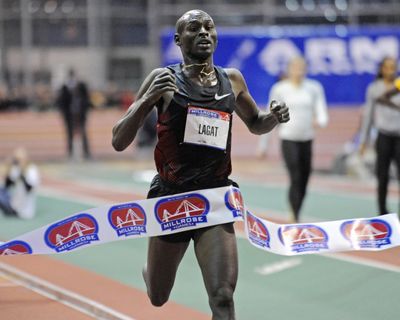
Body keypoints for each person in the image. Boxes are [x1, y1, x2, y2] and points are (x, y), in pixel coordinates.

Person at [112, 10, 289, 320]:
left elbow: (257, 123)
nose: (205, 32)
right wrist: (145, 100)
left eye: (209, 27)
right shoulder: (162, 79)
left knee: (222, 296)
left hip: (216, 198)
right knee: (158, 296)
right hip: (171, 199)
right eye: (194, 28)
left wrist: (273, 116)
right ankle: (152, 271)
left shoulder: (232, 79)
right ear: (179, 40)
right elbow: (118, 140)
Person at [268, 56, 329, 223]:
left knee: (305, 177)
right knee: (295, 175)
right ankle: (294, 215)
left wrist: (321, 121)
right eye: (295, 67)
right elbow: (269, 116)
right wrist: (263, 144)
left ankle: (297, 208)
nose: (298, 71)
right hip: (288, 137)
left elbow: (321, 110)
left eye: (302, 67)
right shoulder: (280, 89)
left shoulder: (314, 88)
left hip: (307, 137)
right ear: (289, 69)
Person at [359, 57, 400, 215]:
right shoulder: (374, 88)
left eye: (393, 67)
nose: (391, 70)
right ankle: (382, 212)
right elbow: (368, 115)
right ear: (382, 69)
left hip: (399, 137)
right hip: (383, 136)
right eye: (388, 67)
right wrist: (364, 140)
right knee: (382, 177)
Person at [56, 69, 92, 160]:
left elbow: (87, 99)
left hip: (80, 113)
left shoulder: (81, 86)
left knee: (83, 133)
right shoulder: (65, 87)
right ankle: (70, 153)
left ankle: (86, 152)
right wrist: (63, 112)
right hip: (69, 115)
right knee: (69, 134)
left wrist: (85, 109)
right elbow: (61, 102)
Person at [0, 148, 40, 219]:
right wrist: (8, 169)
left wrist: (22, 174)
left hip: (26, 210)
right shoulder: (16, 168)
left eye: (20, 159)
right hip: (15, 205)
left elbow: (29, 189)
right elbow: (7, 186)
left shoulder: (31, 169)